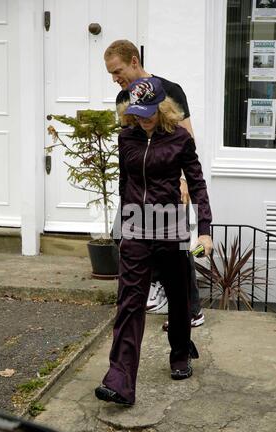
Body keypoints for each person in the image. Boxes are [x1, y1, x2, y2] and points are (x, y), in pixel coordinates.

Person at [95, 77, 212, 405]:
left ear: (162, 107)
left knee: (178, 296)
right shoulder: (126, 138)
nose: (143, 118)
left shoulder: (180, 139)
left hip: (170, 226)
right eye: (138, 112)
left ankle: (179, 353)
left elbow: (198, 185)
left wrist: (204, 230)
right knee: (130, 302)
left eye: (149, 112)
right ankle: (119, 380)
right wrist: (120, 228)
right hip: (135, 229)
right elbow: (124, 182)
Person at [104, 39, 211, 328]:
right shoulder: (123, 99)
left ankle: (191, 309)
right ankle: (155, 284)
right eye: (111, 74)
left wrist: (183, 183)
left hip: (168, 185)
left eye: (118, 71)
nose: (115, 79)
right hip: (139, 187)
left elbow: (186, 139)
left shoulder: (170, 90)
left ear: (134, 62)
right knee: (123, 235)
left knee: (175, 248)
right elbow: (131, 145)